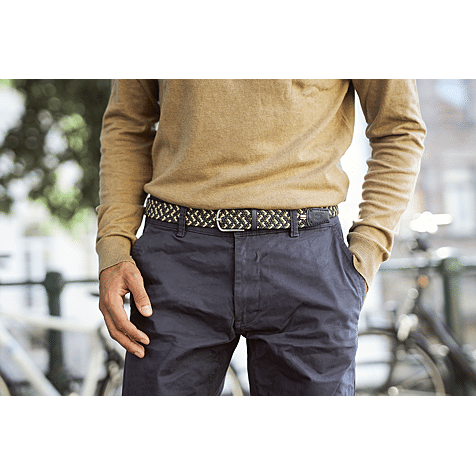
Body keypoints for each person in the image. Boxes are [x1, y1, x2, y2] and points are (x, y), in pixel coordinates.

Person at [97, 79, 426, 396]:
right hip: (177, 261)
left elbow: (399, 129)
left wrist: (368, 250)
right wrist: (113, 248)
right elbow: (127, 124)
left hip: (308, 263)